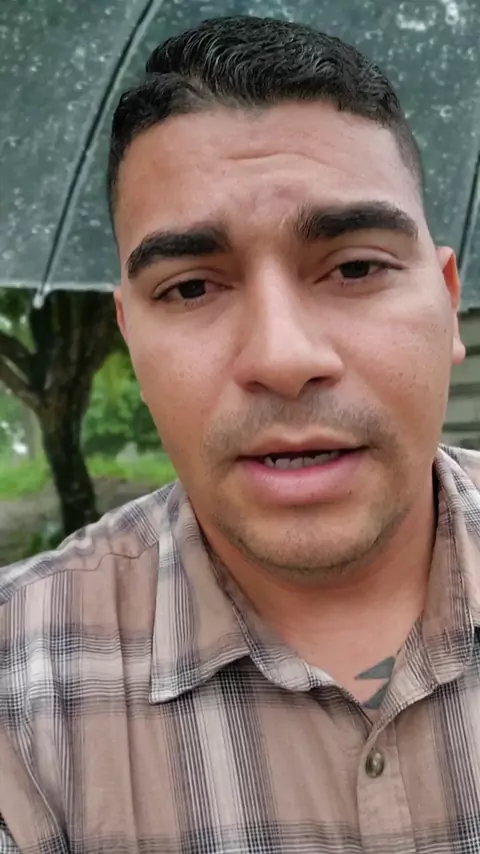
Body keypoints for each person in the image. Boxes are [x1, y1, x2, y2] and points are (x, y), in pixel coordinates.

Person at [1, 13, 479, 853]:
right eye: (191, 288)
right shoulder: (20, 692)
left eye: (356, 266)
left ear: (446, 302)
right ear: (130, 339)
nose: (282, 358)